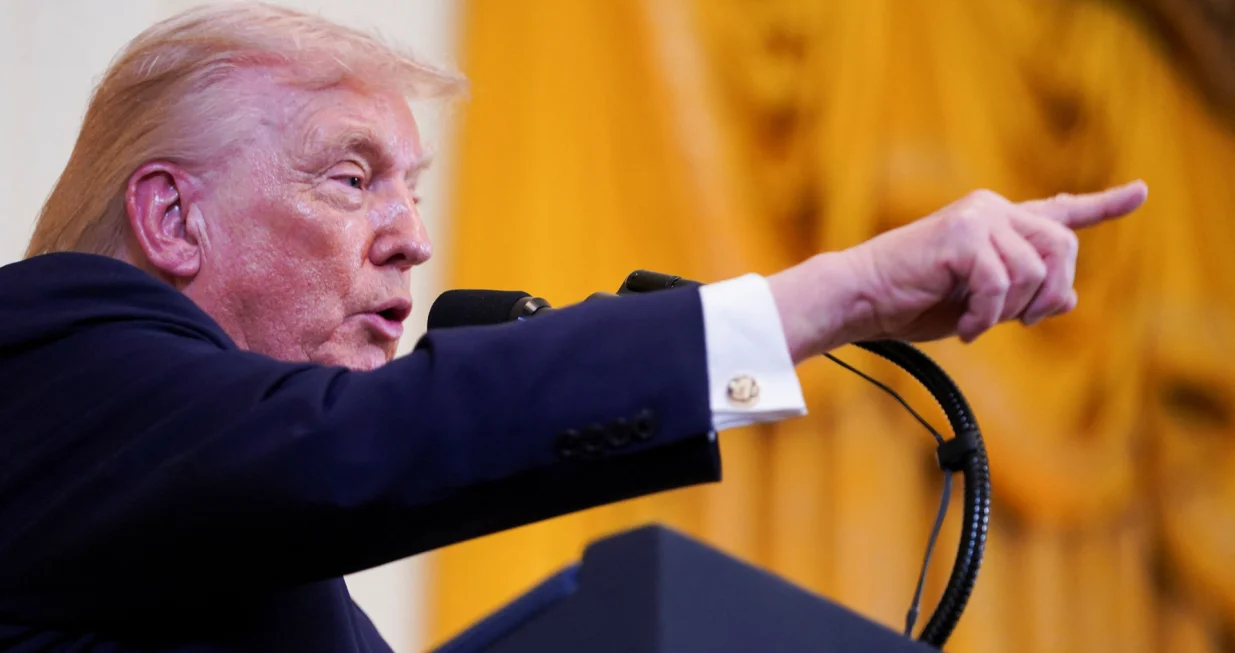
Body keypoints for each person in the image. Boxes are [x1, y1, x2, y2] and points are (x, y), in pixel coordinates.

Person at [0, 3, 1147, 652]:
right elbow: (368, 441)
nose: (410, 238)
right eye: (350, 180)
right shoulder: (44, 355)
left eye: (412, 190)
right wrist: (829, 298)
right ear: (170, 215)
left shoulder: (233, 536)